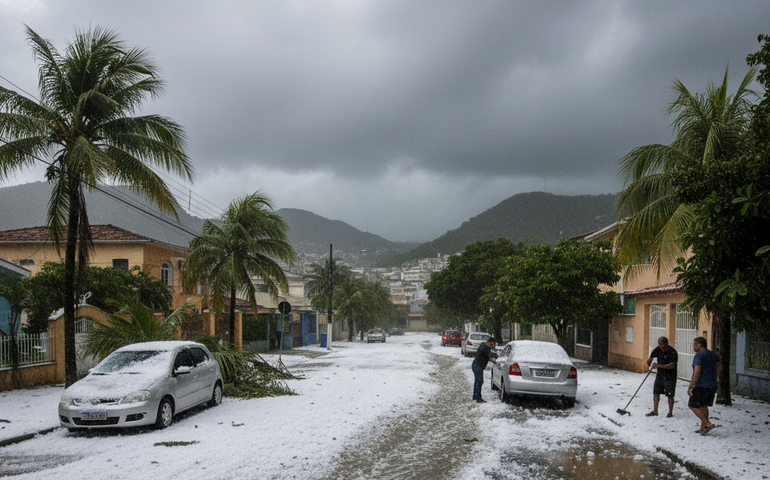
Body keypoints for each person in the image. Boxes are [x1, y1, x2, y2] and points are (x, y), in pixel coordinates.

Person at [688, 336, 721, 435]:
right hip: (712, 384)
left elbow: (697, 371)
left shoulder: (699, 355)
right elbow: (719, 366)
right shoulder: (713, 354)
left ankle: (707, 423)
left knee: (693, 405)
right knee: (703, 406)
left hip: (701, 385)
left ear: (699, 345)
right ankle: (703, 428)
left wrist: (691, 386)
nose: (693, 347)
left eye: (694, 344)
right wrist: (714, 376)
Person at [645, 336, 678, 417]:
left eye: (664, 345)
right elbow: (650, 360)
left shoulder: (672, 352)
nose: (662, 346)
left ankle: (670, 412)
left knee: (670, 395)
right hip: (660, 375)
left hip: (670, 376)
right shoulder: (656, 350)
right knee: (656, 392)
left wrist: (659, 365)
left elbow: (671, 366)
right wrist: (650, 364)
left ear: (667, 343)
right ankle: (655, 411)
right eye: (660, 345)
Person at [472, 337, 496, 403]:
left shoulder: (483, 345)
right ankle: (478, 398)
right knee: (479, 381)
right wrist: (495, 362)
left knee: (478, 381)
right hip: (478, 366)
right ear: (490, 343)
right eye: (493, 345)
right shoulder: (486, 348)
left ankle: (475, 396)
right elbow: (489, 357)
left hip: (475, 365)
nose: (494, 346)